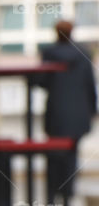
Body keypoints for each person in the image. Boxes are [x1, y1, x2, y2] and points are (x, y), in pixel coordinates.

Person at [37, 19, 98, 195]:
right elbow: (89, 84)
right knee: (72, 151)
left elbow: (41, 82)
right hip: (79, 112)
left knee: (54, 151)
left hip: (56, 111)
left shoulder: (49, 53)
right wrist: (92, 110)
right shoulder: (84, 54)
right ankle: (68, 189)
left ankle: (53, 188)